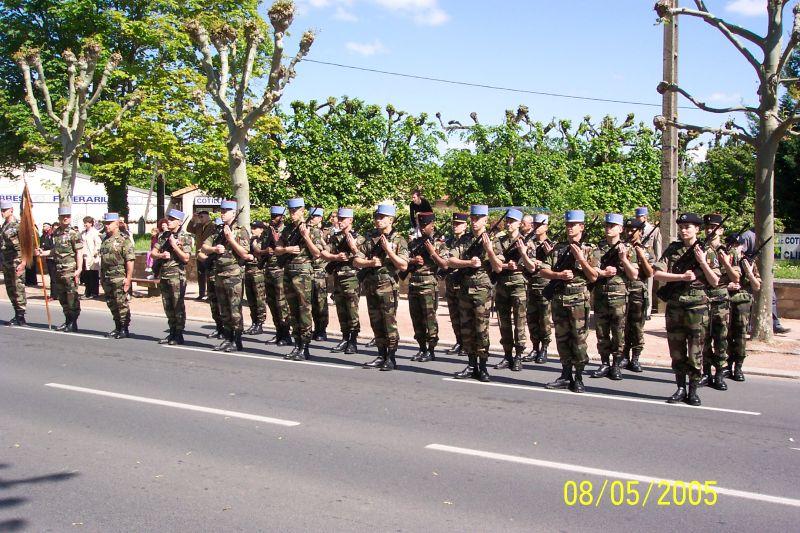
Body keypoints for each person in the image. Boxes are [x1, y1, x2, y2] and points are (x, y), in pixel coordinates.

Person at [653, 212, 720, 407]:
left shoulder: (706, 250)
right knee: (677, 351)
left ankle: (693, 390)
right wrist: (681, 277)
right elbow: (657, 274)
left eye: (688, 227)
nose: (683, 230)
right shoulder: (673, 249)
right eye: (681, 227)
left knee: (696, 351)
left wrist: (703, 262)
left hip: (697, 308)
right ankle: (680, 387)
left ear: (697, 229)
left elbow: (715, 281)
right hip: (675, 307)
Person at [539, 210, 598, 393]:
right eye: (568, 225)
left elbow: (594, 276)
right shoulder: (558, 249)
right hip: (559, 299)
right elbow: (543, 271)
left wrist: (581, 259)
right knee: (562, 339)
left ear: (582, 227)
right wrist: (559, 275)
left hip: (578, 301)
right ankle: (565, 375)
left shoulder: (590, 249)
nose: (570, 228)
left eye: (573, 225)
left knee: (579, 340)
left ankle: (578, 377)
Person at [446, 204, 502, 382]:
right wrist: (468, 263)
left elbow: (498, 267)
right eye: (472, 218)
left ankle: (483, 367)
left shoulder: (493, 240)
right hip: (464, 289)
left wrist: (489, 250)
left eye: (478, 218)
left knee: (481, 330)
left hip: (482, 292)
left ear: (485, 220)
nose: (474, 221)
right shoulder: (465, 240)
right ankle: (471, 365)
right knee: (467, 329)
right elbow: (450, 261)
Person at [354, 203, 409, 371]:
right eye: (376, 217)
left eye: (382, 217)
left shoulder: (399, 239)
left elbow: (404, 265)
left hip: (387, 286)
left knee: (388, 322)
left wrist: (389, 252)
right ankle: (381, 354)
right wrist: (370, 263)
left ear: (391, 219)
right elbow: (356, 260)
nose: (378, 220)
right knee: (375, 321)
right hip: (370, 285)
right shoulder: (370, 238)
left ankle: (391, 357)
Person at [589, 213, 638, 381]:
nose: (608, 229)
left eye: (612, 226)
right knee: (601, 332)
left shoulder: (627, 248)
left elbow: (634, 275)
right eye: (607, 226)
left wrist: (624, 259)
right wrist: (603, 272)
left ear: (620, 229)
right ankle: (604, 362)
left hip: (619, 297)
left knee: (618, 332)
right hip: (601, 295)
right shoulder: (597, 248)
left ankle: (616, 364)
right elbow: (591, 269)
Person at [275, 198, 322, 360]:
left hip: (303, 274)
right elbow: (277, 249)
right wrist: (286, 249)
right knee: (293, 310)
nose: (292, 213)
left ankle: (305, 346)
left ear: (303, 211)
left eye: (295, 210)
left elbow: (317, 253)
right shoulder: (287, 229)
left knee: (304, 310)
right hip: (288, 272)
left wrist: (306, 237)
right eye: (290, 210)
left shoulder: (312, 230)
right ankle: (297, 344)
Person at [202, 200, 251, 353]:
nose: (222, 214)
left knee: (234, 310)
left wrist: (230, 240)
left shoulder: (241, 231)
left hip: (233, 274)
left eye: (225, 211)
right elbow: (204, 246)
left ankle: (237, 340)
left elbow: (245, 253)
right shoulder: (218, 230)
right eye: (221, 211)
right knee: (223, 309)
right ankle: (227, 338)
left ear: (234, 213)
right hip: (219, 274)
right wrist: (214, 249)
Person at [700, 213, 739, 391]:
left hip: (721, 299)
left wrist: (726, 263)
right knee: (703, 338)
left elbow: (736, 277)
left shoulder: (730, 251)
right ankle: (706, 373)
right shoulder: (699, 248)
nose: (710, 230)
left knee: (721, 338)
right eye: (708, 227)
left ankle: (719, 374)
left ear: (721, 231)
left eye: (714, 227)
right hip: (703, 297)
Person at [406, 211, 449, 362]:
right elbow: (403, 261)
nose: (423, 228)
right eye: (421, 225)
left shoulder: (439, 244)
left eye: (426, 225)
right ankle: (422, 348)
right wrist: (413, 261)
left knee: (429, 319)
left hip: (429, 285)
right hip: (414, 284)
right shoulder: (414, 243)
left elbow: (444, 265)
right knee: (416, 319)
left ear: (433, 225)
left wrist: (432, 253)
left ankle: (431, 350)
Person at [321, 208, 363, 355]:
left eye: (342, 219)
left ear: (350, 220)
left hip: (352, 278)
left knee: (352, 310)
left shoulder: (359, 238)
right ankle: (345, 338)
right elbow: (323, 252)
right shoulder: (336, 237)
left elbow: (362, 256)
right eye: (338, 219)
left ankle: (353, 341)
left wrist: (353, 247)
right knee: (341, 309)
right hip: (338, 277)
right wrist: (335, 257)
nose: (339, 221)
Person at [36, 207, 83, 332]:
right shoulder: (56, 233)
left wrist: (79, 269)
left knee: (72, 297)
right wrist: (42, 253)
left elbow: (79, 252)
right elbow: (55, 251)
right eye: (63, 216)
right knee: (62, 297)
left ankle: (73, 322)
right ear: (59, 218)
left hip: (70, 269)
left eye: (67, 216)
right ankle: (67, 320)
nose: (65, 218)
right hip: (58, 269)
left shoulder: (74, 233)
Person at [492, 209, 528, 371]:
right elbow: (496, 261)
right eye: (507, 221)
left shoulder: (526, 241)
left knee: (519, 322)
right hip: (502, 284)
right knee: (503, 322)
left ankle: (519, 355)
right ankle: (507, 355)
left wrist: (522, 255)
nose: (508, 224)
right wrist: (507, 265)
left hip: (519, 285)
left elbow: (531, 265)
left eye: (512, 221)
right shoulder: (499, 241)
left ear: (519, 223)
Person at [151, 209, 192, 345]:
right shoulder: (164, 236)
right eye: (168, 218)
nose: (169, 221)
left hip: (177, 276)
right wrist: (161, 255)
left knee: (177, 306)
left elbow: (186, 258)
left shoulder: (185, 237)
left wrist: (174, 246)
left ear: (179, 222)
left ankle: (179, 334)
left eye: (172, 219)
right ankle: (172, 331)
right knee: (167, 306)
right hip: (164, 275)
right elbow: (153, 253)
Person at [738, 227, 790, 334]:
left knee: (771, 298)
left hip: (765, 274)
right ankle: (750, 326)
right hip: (749, 274)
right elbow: (739, 253)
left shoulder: (768, 234)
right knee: (750, 300)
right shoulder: (747, 235)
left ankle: (775, 325)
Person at [620, 218, 654, 373]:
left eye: (632, 230)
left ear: (640, 232)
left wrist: (642, 256)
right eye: (627, 230)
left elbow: (649, 273)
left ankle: (635, 357)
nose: (629, 233)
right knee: (622, 325)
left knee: (637, 326)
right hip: (622, 291)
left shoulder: (646, 249)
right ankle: (624, 355)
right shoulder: (620, 247)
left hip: (638, 292)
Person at [726, 234, 761, 381]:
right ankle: (726, 366)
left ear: (742, 246)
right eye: (731, 245)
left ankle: (738, 367)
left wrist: (749, 273)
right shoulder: (724, 260)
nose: (734, 248)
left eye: (737, 245)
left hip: (742, 304)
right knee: (725, 335)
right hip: (726, 301)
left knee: (740, 336)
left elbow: (757, 286)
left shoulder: (748, 262)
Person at [520, 214, 553, 364]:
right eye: (535, 224)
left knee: (544, 320)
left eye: (540, 224)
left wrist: (543, 261)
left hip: (545, 286)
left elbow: (553, 266)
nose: (536, 227)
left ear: (546, 227)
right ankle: (535, 347)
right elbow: (528, 265)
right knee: (532, 319)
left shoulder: (551, 245)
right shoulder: (528, 244)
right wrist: (531, 260)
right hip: (531, 284)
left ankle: (544, 348)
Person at [99, 212, 135, 338]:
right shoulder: (105, 239)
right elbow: (103, 259)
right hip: (107, 275)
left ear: (117, 224)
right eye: (106, 223)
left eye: (109, 223)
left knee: (121, 303)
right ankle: (117, 326)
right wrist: (102, 276)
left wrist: (128, 279)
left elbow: (130, 260)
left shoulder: (124, 239)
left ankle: (124, 328)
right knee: (111, 302)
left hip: (119, 275)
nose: (107, 225)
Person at [262, 206, 292, 346]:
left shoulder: (287, 231)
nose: (273, 219)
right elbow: (260, 247)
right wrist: (264, 250)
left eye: (276, 216)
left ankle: (286, 334)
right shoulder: (267, 231)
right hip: (269, 269)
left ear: (282, 217)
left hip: (281, 270)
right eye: (272, 216)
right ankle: (278, 332)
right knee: (272, 303)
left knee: (282, 304)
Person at [443, 213, 468, 357]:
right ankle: (459, 341)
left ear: (465, 226)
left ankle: (466, 343)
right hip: (450, 281)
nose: (455, 226)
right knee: (454, 314)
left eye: (459, 224)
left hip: (462, 281)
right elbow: (445, 260)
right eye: (454, 224)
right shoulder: (449, 242)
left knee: (464, 314)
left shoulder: (468, 241)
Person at [1, 199, 27, 326]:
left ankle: (21, 316)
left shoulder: (18, 225)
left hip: (17, 261)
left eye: (5, 210)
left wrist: (24, 263)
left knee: (18, 288)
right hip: (7, 262)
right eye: (1, 210)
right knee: (10, 289)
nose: (2, 213)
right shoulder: (4, 225)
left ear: (11, 210)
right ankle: (16, 313)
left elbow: (26, 245)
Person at [308, 207, 330, 341]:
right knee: (308, 302)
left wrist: (321, 239)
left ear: (320, 218)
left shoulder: (327, 232)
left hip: (320, 271)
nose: (312, 219)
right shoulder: (307, 230)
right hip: (308, 270)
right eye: (311, 216)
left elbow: (328, 248)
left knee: (320, 302)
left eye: (315, 217)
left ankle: (321, 330)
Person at [636, 207, 661, 318]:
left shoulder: (654, 230)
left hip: (649, 262)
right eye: (637, 217)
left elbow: (657, 247)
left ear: (645, 217)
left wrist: (657, 264)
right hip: (637, 261)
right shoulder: (635, 229)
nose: (638, 219)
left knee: (648, 287)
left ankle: (647, 311)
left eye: (640, 217)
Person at [243, 220, 267, 335]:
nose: (253, 230)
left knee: (259, 299)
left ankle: (260, 323)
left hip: (258, 271)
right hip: (248, 270)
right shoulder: (251, 240)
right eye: (252, 227)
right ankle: (254, 322)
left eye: (255, 228)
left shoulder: (264, 240)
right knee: (251, 299)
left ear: (261, 229)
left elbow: (261, 253)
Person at [187, 210, 213, 300]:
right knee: (200, 274)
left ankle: (210, 294)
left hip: (208, 254)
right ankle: (201, 293)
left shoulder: (213, 226)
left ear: (207, 216)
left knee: (210, 275)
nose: (200, 219)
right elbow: (189, 229)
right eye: (199, 217)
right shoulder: (198, 226)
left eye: (202, 217)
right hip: (199, 254)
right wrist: (193, 219)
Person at [81, 216, 102, 298]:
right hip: (85, 256)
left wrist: (95, 253)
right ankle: (87, 292)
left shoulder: (95, 232)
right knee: (86, 275)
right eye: (84, 223)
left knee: (93, 275)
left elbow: (98, 244)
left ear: (91, 223)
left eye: (86, 223)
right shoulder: (83, 233)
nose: (85, 224)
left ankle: (94, 292)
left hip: (92, 256)